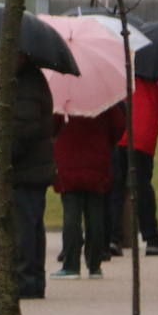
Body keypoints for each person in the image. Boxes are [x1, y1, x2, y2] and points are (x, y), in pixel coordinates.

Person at [0, 56, 60, 299]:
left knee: (25, 225)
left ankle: (25, 280)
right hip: (33, 166)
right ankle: (31, 278)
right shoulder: (26, 81)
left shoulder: (27, 84)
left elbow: (23, 128)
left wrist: (3, 151)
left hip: (27, 167)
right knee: (31, 224)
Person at [52, 104, 124, 280]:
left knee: (71, 214)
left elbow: (52, 125)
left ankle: (71, 264)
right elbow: (119, 125)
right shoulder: (103, 98)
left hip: (68, 155)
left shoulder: (64, 97)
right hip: (97, 155)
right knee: (95, 213)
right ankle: (95, 264)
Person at [107, 77, 158, 257]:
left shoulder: (124, 74)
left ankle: (113, 238)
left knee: (115, 189)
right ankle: (151, 237)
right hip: (142, 139)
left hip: (119, 135)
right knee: (142, 187)